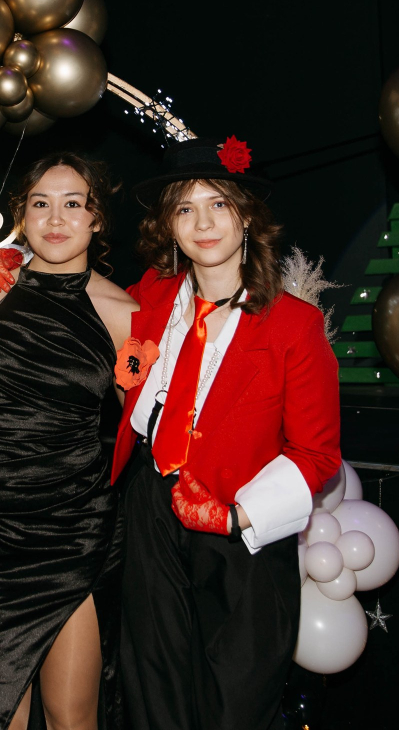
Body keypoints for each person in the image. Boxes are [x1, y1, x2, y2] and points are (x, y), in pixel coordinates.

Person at [111, 136, 341, 730]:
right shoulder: (150, 294)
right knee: (153, 691)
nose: (203, 223)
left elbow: (317, 454)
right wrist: (16, 273)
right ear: (169, 225)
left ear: (246, 217)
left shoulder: (294, 325)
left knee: (235, 702)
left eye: (218, 204)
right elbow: (89, 309)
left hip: (241, 526)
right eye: (185, 209)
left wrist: (239, 517)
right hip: (150, 504)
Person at [0, 152, 137, 730]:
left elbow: (145, 430)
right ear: (21, 216)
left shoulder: (127, 316)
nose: (56, 219)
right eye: (41, 203)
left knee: (71, 718)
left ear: (96, 219)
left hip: (75, 534)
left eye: (73, 204)